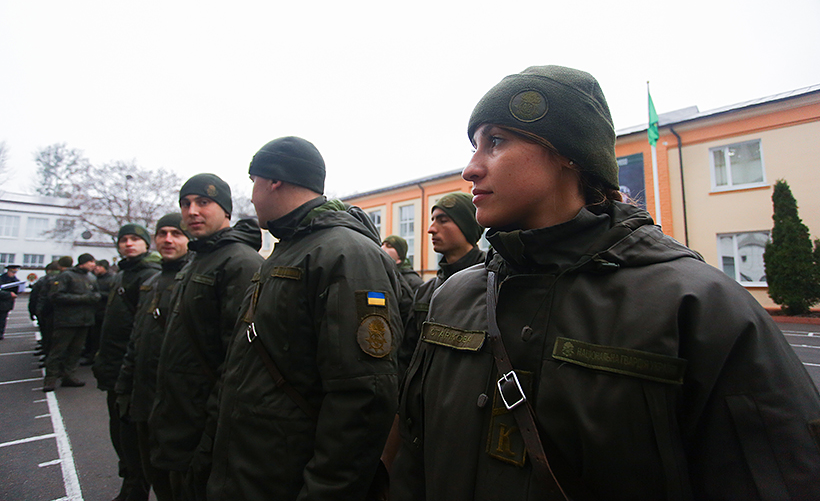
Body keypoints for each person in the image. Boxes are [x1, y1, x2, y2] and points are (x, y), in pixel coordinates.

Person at [391, 65, 820, 500]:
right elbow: (413, 459)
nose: (471, 168)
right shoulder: (454, 296)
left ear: (569, 152)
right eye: (474, 146)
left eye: (496, 141)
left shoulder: (698, 306)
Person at [207, 137, 402, 500]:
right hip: (255, 471)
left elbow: (364, 395)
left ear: (273, 179)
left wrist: (325, 491)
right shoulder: (290, 250)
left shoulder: (346, 253)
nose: (251, 195)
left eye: (253, 181)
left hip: (290, 477)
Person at [150, 173, 263, 501]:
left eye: (203, 202)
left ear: (226, 210)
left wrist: (212, 435)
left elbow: (238, 360)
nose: (192, 211)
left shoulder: (239, 262)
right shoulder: (198, 258)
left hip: (206, 425)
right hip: (180, 418)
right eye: (185, 204)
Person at [115, 213, 191, 501]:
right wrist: (124, 385)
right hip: (143, 397)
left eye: (176, 233)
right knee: (152, 472)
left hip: (176, 404)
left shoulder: (192, 279)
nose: (168, 240)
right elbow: (137, 338)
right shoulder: (152, 281)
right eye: (162, 233)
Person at [94, 224, 161, 501]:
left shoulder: (150, 275)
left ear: (146, 244)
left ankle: (136, 487)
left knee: (133, 436)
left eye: (135, 239)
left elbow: (142, 328)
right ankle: (130, 482)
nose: (129, 244)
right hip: (113, 367)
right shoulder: (122, 273)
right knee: (119, 431)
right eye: (124, 239)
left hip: (130, 368)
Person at [398, 192, 485, 376]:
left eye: (443, 220)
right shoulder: (425, 291)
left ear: (467, 227)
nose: (431, 229)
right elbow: (407, 357)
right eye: (432, 220)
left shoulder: (492, 283)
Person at [42, 254, 100, 391]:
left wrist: (95, 297)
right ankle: (50, 379)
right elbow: (55, 296)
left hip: (84, 320)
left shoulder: (91, 277)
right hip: (67, 320)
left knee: (76, 350)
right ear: (83, 263)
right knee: (58, 350)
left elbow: (96, 293)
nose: (93, 265)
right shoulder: (66, 276)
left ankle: (69, 376)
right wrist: (83, 298)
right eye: (91, 262)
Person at [35, 256, 72, 362]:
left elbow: (43, 296)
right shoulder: (70, 277)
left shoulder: (53, 279)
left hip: (53, 312)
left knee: (51, 337)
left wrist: (40, 310)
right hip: (63, 314)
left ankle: (50, 360)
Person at [81, 259, 115, 365]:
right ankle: (90, 353)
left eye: (98, 267)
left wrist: (97, 294)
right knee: (92, 335)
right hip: (94, 311)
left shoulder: (111, 279)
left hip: (104, 311)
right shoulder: (94, 278)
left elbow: (111, 294)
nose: (96, 268)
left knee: (99, 336)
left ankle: (95, 357)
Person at [0, 264, 22, 339]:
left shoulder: (15, 281)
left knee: (2, 320)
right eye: (12, 272)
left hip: (6, 304)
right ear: (8, 271)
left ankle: (0, 333)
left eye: (15, 272)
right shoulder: (1, 279)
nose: (13, 274)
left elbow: (17, 291)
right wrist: (9, 294)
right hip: (2, 300)